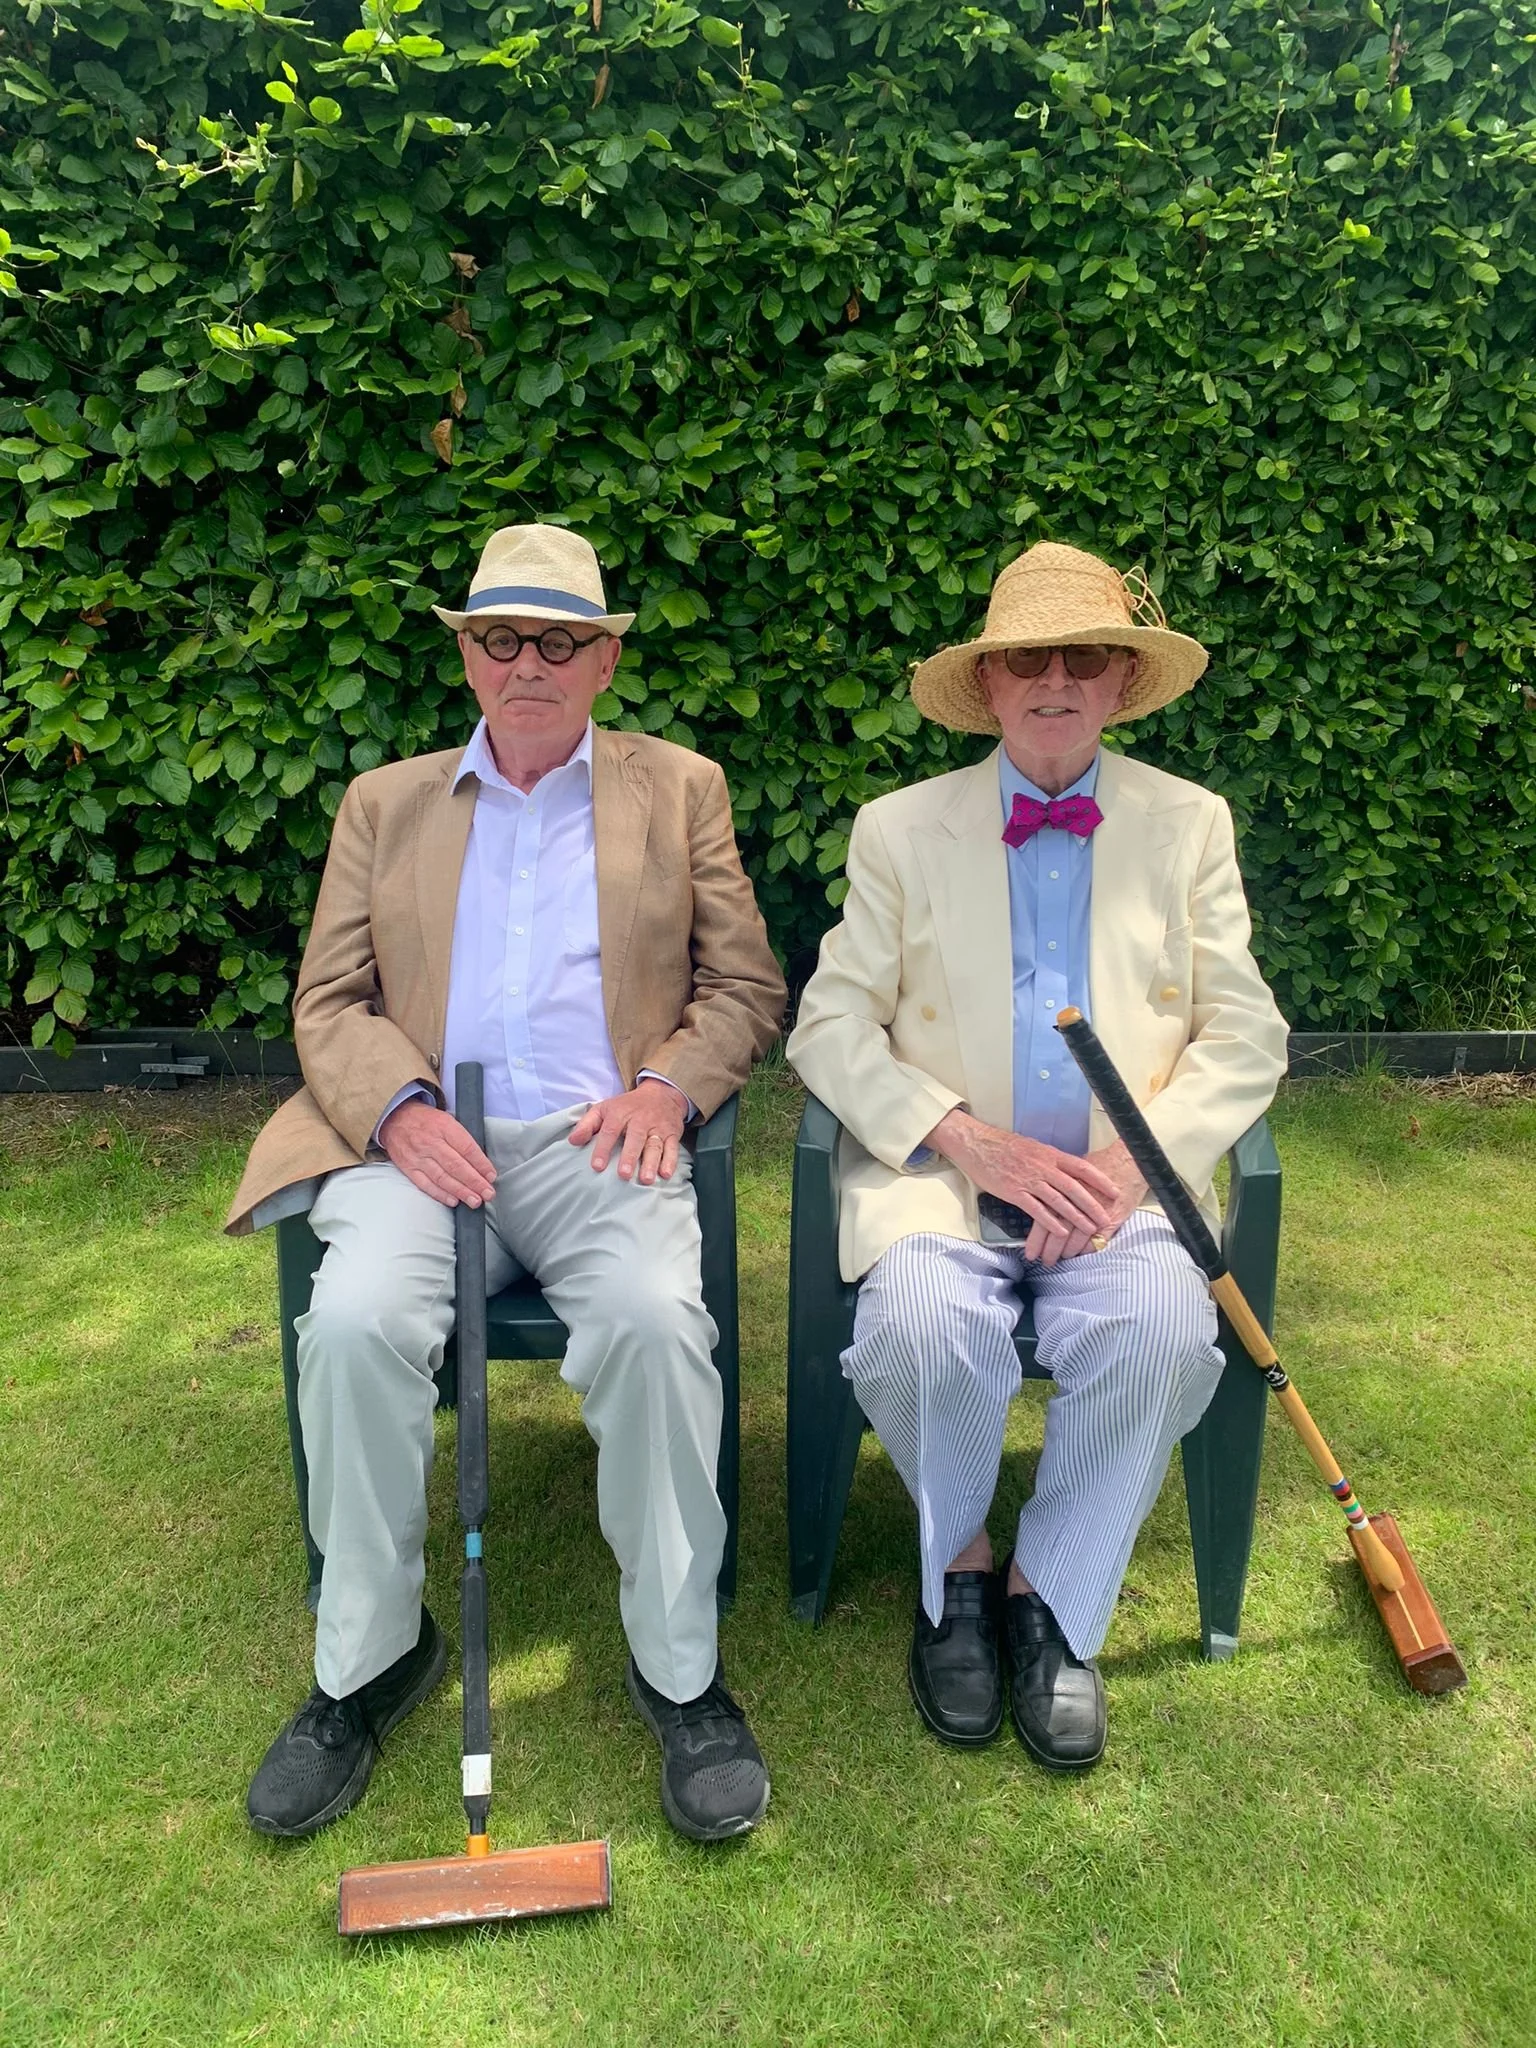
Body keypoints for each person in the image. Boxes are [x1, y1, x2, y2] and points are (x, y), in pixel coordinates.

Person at [228, 524, 785, 1843]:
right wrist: (399, 1108)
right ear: (467, 656)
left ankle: (680, 1672)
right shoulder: (385, 803)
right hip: (426, 1144)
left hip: (603, 1141)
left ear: (603, 662)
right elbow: (328, 1000)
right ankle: (369, 1663)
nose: (528, 662)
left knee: (654, 1323)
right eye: (500, 638)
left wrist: (668, 1088)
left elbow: (745, 984)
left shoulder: (680, 789)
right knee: (353, 1322)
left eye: (559, 640)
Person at [786, 541, 1287, 1769]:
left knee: (1164, 1334)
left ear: (1119, 681)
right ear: (989, 684)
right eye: (1027, 661)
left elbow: (1247, 1033)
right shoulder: (900, 829)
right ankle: (959, 1565)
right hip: (947, 1184)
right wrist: (964, 1137)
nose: (1055, 681)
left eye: (1084, 658)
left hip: (1122, 1193)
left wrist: (1131, 1170)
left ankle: (1049, 1592)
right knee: (915, 1329)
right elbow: (828, 1022)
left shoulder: (1190, 824)